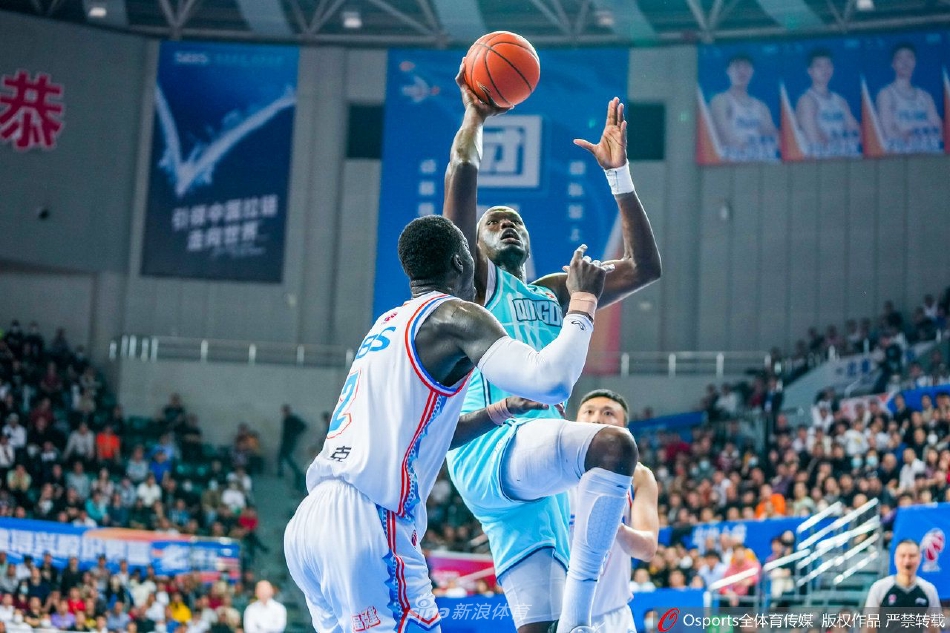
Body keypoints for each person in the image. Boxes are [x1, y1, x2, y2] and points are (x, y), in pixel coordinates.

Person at [284, 214, 612, 633]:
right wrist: (583, 301)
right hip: (368, 517)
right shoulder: (455, 315)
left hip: (311, 523)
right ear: (461, 262)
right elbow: (553, 381)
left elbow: (428, 436)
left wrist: (500, 410)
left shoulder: (386, 325)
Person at [443, 67, 660, 633]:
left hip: (535, 470)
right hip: (491, 443)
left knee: (536, 625)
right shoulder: (478, 284)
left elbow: (645, 267)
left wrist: (619, 177)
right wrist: (473, 118)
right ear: (476, 246)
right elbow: (459, 194)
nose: (506, 225)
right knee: (613, 446)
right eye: (494, 223)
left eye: (515, 221)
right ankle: (579, 624)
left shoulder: (557, 290)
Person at [569, 390, 659, 633]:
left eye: (608, 413)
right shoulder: (554, 469)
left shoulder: (639, 476)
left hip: (610, 618)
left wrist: (613, 526)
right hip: (556, 613)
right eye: (588, 411)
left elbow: (647, 549)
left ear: (624, 430)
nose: (596, 418)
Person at [875, 42, 943, 154]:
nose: (905, 62)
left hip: (928, 152)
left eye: (909, 57)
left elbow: (938, 128)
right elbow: (888, 130)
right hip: (899, 154)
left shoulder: (925, 96)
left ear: (915, 62)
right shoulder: (886, 94)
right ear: (893, 64)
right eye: (899, 58)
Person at [709, 54, 779, 161]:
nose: (742, 71)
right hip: (732, 163)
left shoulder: (761, 106)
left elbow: (774, 137)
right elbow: (725, 137)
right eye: (737, 66)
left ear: (752, 72)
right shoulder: (721, 101)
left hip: (762, 161)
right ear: (728, 71)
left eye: (746, 67)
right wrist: (758, 144)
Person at [864, 540, 941, 633]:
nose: (907, 561)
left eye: (912, 556)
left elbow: (934, 629)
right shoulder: (879, 588)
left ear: (919, 558)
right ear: (895, 558)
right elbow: (869, 627)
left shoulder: (929, 590)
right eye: (903, 555)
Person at [794, 48, 859, 157]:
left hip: (843, 156)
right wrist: (841, 142)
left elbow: (856, 132)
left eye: (828, 65)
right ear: (810, 71)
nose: (825, 70)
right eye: (819, 66)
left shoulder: (840, 100)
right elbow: (814, 139)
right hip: (818, 159)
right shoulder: (806, 100)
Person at [276, 405, 306, 486]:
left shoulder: (293, 419)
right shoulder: (286, 420)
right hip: (285, 440)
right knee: (281, 457)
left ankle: (296, 471)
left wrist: (294, 434)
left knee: (286, 457)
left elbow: (303, 426)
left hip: (290, 441)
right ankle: (281, 472)